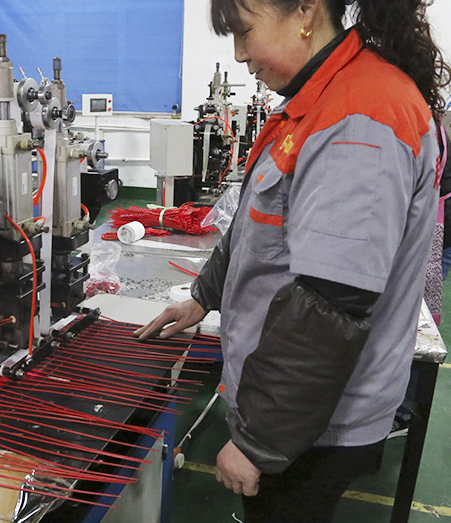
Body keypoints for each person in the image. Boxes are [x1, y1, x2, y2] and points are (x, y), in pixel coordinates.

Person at [134, 0, 450, 520]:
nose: (239, 55)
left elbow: (332, 302)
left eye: (244, 32)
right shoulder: (317, 100)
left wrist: (257, 442)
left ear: (304, 11)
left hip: (313, 423)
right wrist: (203, 298)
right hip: (297, 408)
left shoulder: (360, 117)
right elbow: (258, 223)